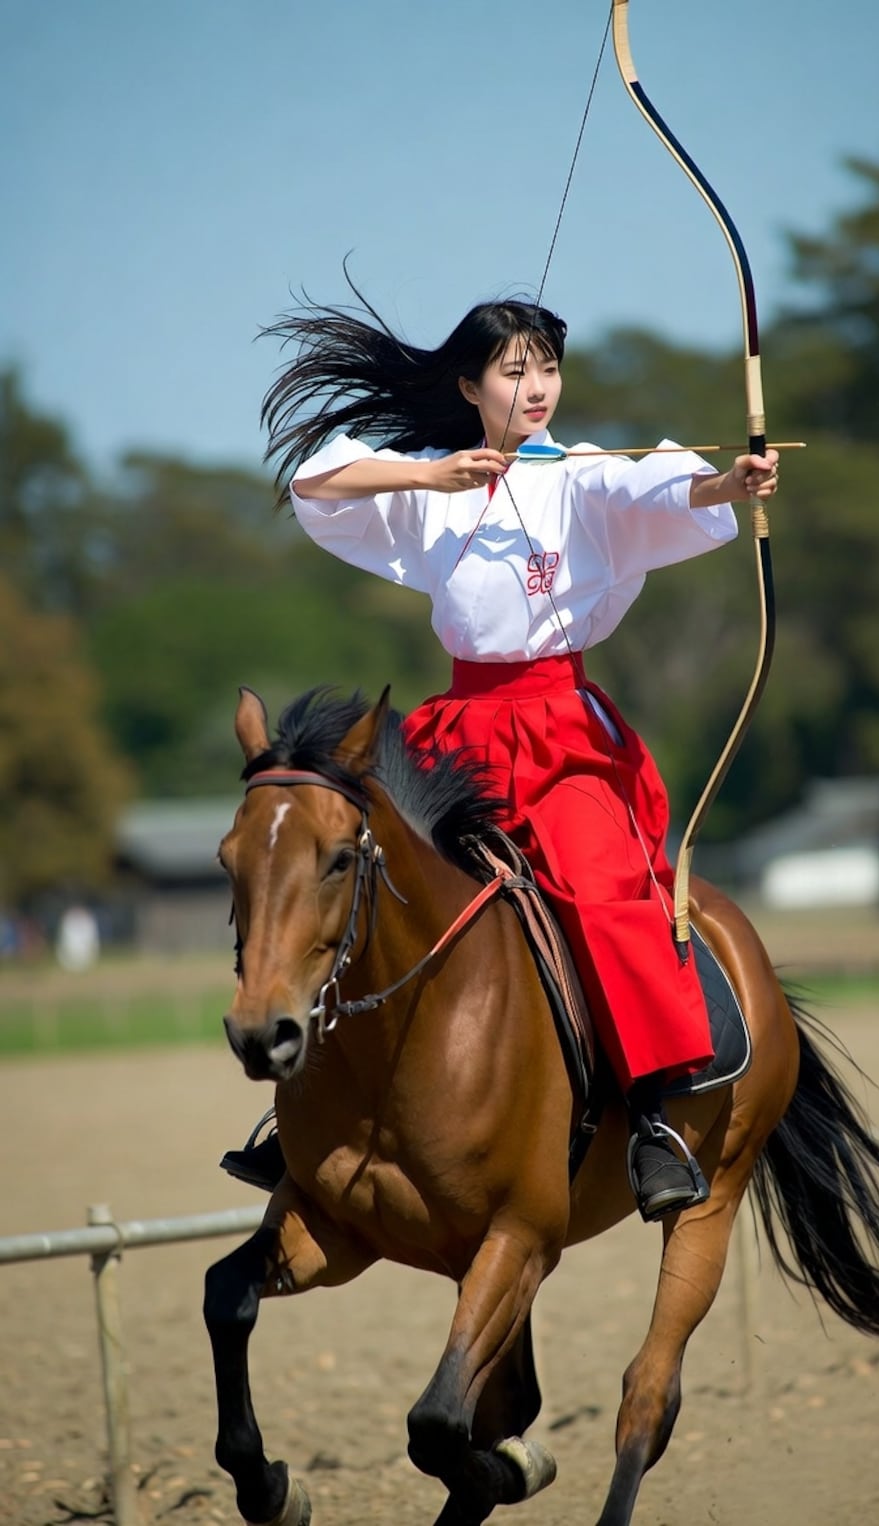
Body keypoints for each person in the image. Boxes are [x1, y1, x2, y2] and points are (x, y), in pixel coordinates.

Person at [223, 288, 779, 1220]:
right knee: (363, 886)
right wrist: (419, 478)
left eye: (548, 367)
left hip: (560, 732)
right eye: (514, 370)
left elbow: (663, 492)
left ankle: (652, 1115)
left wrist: (732, 485)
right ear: (470, 385)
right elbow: (315, 485)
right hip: (453, 735)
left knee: (600, 892)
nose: (537, 387)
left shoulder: (584, 475)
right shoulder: (431, 487)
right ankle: (308, 1122)